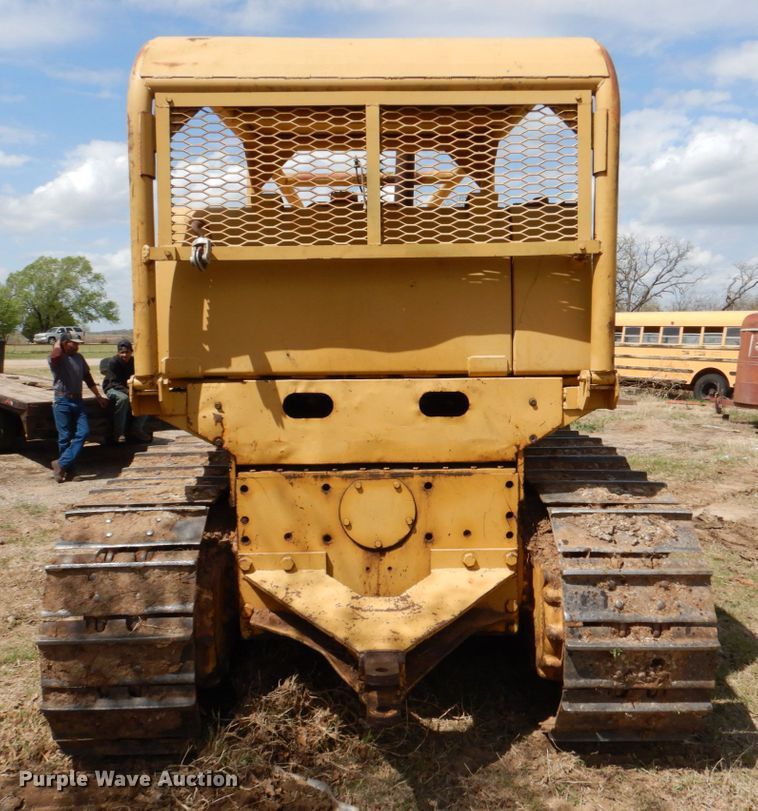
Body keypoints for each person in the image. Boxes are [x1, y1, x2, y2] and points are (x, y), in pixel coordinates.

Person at [49, 332, 108, 482]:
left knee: (84, 432)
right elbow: (55, 356)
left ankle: (60, 463)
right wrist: (57, 343)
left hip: (78, 400)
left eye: (78, 343)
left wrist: (98, 396)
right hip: (62, 400)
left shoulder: (79, 358)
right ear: (64, 343)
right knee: (65, 437)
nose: (77, 346)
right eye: (73, 343)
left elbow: (87, 377)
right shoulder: (57, 358)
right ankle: (70, 472)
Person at [101, 339, 151, 444]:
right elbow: (113, 382)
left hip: (128, 388)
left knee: (147, 398)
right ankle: (119, 433)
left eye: (127, 352)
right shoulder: (113, 362)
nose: (124, 355)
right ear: (118, 353)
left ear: (131, 352)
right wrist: (129, 392)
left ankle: (137, 429)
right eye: (122, 352)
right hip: (112, 388)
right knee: (123, 399)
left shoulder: (134, 362)